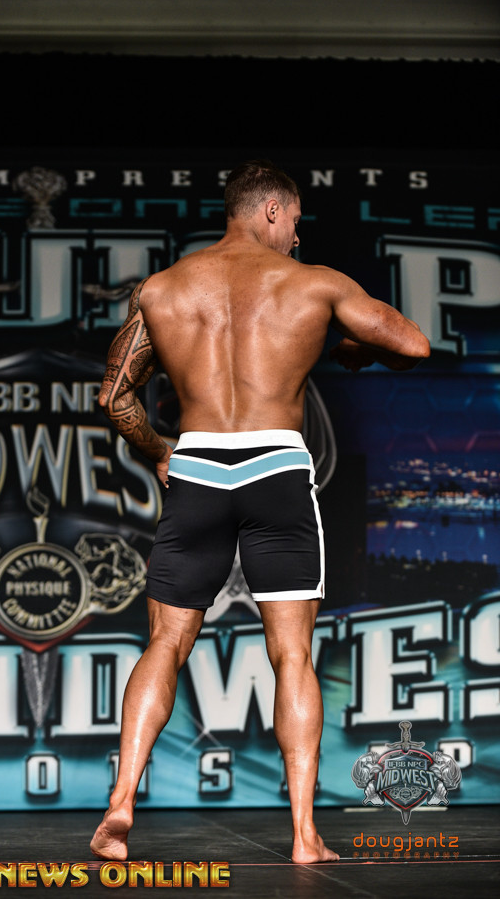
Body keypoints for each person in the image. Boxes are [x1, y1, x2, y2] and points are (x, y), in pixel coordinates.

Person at [90, 159, 430, 864]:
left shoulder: (163, 289)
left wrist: (161, 450)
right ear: (272, 210)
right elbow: (413, 344)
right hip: (276, 468)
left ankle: (121, 802)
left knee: (164, 645)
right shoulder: (315, 284)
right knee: (292, 654)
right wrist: (352, 347)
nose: (298, 237)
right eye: (296, 222)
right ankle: (305, 836)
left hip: (198, 468)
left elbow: (114, 399)